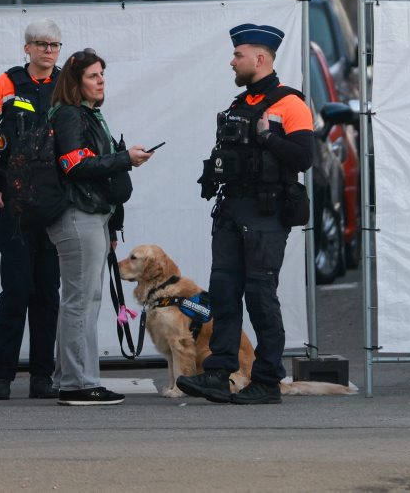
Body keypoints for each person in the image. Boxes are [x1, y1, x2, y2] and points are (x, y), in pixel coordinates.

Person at [176, 23, 315, 405]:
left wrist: (267, 136)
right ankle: (218, 374)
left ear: (260, 58)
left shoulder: (290, 104)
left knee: (259, 296)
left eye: (238, 55)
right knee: (223, 294)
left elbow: (304, 157)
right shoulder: (238, 105)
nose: (232, 62)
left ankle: (267, 381)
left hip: (266, 214)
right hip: (231, 212)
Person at [45, 48, 152, 406]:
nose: (101, 81)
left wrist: (112, 228)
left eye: (102, 74)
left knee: (80, 299)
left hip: (90, 217)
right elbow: (74, 165)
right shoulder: (70, 115)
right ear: (75, 83)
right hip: (78, 216)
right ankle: (79, 384)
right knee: (81, 301)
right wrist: (125, 158)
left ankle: (67, 378)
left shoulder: (86, 114)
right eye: (93, 76)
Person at [0, 19, 64, 401]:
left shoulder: (67, 84)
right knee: (15, 291)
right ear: (27, 48)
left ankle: (42, 377)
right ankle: (1, 376)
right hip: (15, 205)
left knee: (47, 294)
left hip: (54, 206)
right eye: (41, 44)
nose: (48, 51)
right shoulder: (7, 83)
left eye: (54, 45)